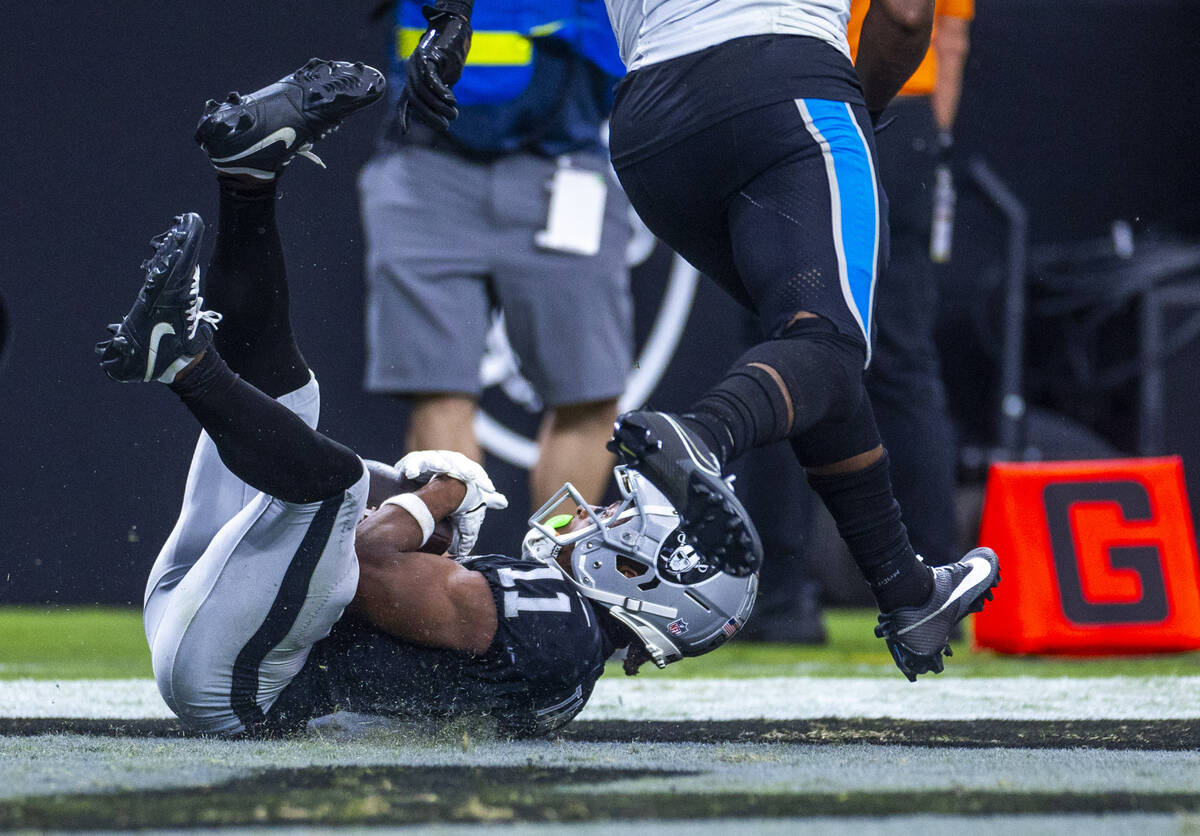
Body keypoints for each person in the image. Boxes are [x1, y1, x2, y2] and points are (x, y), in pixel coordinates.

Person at [94, 59, 756, 737]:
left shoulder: (560, 623)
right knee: (290, 398)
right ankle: (247, 181)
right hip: (226, 627)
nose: (602, 515)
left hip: (243, 681)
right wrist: (415, 504)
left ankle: (183, 365)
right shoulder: (566, 663)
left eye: (623, 520)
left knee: (337, 486)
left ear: (651, 575)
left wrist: (438, 497)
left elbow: (370, 565)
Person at [399, 0, 999, 681]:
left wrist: (449, 18)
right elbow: (907, 15)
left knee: (804, 350)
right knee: (830, 346)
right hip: (789, 82)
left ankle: (908, 592)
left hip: (652, 127)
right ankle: (702, 437)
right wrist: (860, 107)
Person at [359, 0, 633, 509]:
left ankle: (554, 579)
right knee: (439, 389)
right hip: (426, 164)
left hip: (566, 168)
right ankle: (462, 576)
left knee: (588, 395)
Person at [851, 0, 973, 572]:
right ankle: (938, 572)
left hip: (811, 102)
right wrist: (935, 144)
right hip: (906, 114)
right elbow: (947, 39)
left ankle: (773, 590)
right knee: (902, 355)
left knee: (784, 342)